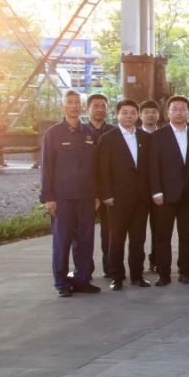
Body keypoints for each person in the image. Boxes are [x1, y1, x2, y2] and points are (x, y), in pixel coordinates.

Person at [40, 90, 101, 297]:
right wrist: (48, 197)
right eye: (70, 102)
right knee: (62, 242)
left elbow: (96, 168)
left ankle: (82, 280)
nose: (74, 106)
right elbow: (46, 167)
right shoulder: (53, 134)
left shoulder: (90, 133)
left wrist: (96, 194)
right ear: (62, 106)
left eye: (77, 102)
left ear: (81, 106)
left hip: (86, 197)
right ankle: (62, 283)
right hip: (62, 198)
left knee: (85, 241)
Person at [95, 99, 150, 290]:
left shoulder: (145, 137)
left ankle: (137, 275)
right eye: (124, 112)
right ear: (117, 115)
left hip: (141, 198)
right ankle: (116, 277)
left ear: (138, 115)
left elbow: (150, 168)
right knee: (116, 239)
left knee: (138, 239)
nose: (129, 116)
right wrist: (106, 193)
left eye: (133, 112)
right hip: (117, 198)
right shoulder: (108, 138)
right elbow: (102, 169)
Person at [149, 95, 189, 285]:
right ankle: (164, 274)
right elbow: (153, 166)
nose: (179, 112)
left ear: (188, 112)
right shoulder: (157, 136)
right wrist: (156, 191)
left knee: (187, 235)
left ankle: (185, 272)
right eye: (175, 109)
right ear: (167, 113)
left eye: (183, 109)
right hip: (164, 195)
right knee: (163, 236)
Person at [82, 93, 114, 277]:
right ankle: (84, 272)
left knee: (109, 232)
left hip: (108, 190)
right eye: (96, 106)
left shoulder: (114, 132)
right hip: (86, 190)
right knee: (84, 233)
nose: (100, 109)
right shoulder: (80, 132)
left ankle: (110, 268)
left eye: (103, 106)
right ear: (88, 109)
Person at [138, 99, 161, 274]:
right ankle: (137, 264)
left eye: (153, 112)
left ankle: (156, 261)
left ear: (159, 115)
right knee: (138, 231)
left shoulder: (164, 135)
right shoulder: (134, 135)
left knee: (159, 229)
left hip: (160, 191)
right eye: (146, 112)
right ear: (140, 115)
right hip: (139, 191)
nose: (150, 115)